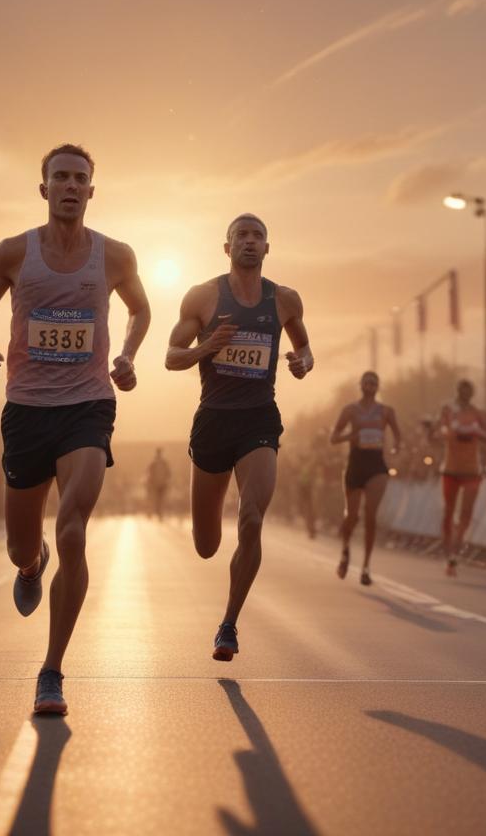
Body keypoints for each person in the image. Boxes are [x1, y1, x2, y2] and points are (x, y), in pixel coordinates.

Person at [0, 143, 151, 715]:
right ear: (44, 188)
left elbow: (141, 309)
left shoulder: (115, 255)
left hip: (87, 407)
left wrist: (127, 356)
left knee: (74, 529)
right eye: (61, 177)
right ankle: (31, 563)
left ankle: (51, 671)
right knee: (20, 546)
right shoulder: (14, 252)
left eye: (80, 178)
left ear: (91, 190)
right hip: (26, 409)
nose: (70, 186)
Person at [166, 213, 312, 661]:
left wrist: (302, 363)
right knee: (206, 545)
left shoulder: (284, 300)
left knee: (251, 519)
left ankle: (228, 624)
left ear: (268, 247)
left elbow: (304, 349)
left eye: (258, 236)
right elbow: (172, 356)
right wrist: (207, 347)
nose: (250, 241)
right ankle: (211, 541)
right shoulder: (203, 296)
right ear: (227, 248)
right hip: (213, 421)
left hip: (259, 420)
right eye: (241, 236)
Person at [330, 371, 401, 586]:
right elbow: (333, 438)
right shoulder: (350, 410)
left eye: (374, 382)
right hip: (355, 465)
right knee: (352, 516)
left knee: (371, 516)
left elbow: (398, 436)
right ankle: (345, 551)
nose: (370, 385)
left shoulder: (386, 411)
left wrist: (395, 450)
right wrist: (351, 436)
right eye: (367, 382)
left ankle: (366, 567)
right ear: (360, 385)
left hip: (377, 466)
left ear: (378, 387)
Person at [438, 379, 486, 576]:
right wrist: (451, 432)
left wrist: (476, 432)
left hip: (471, 470)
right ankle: (448, 554)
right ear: (457, 391)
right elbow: (440, 431)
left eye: (468, 391)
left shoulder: (478, 413)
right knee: (448, 512)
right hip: (450, 469)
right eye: (462, 390)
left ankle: (456, 549)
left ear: (472, 393)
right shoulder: (448, 410)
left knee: (466, 513)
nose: (465, 394)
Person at [145, 447, 172, 520]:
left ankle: (157, 514)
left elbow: (149, 473)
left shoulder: (156, 463)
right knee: (157, 500)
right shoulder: (159, 463)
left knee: (157, 500)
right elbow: (168, 473)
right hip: (157, 484)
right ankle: (156, 514)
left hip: (159, 484)